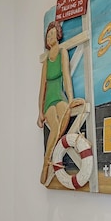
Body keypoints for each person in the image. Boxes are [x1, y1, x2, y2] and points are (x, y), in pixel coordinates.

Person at [37, 20, 84, 184]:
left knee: (66, 113)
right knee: (56, 126)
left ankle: (50, 157)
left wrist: (70, 100)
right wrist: (40, 112)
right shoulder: (46, 63)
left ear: (57, 35)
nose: (49, 37)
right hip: (49, 100)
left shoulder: (63, 52)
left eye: (52, 34)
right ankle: (45, 164)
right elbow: (42, 88)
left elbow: (66, 76)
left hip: (60, 95)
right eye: (47, 35)